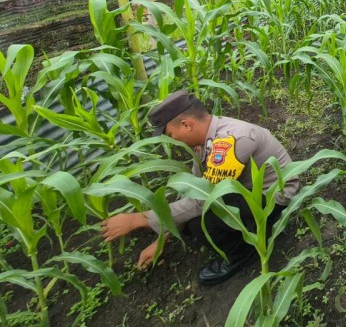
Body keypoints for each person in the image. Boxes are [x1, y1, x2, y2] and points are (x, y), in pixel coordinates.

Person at [100, 90, 299, 284]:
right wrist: (162, 238)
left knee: (204, 221)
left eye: (171, 134)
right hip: (246, 189)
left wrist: (138, 219)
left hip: (274, 195)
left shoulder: (230, 141)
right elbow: (197, 188)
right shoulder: (207, 138)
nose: (172, 141)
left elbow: (203, 199)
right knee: (193, 220)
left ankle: (243, 254)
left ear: (186, 124)